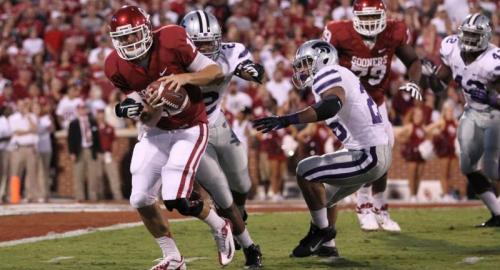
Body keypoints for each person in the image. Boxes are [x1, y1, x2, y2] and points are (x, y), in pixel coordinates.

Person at [105, 6, 233, 269]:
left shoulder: (172, 39)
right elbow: (145, 115)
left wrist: (183, 78)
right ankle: (173, 257)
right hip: (155, 131)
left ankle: (220, 226)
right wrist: (135, 108)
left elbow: (215, 73)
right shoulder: (114, 65)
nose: (128, 42)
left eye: (132, 35)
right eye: (122, 37)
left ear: (147, 29)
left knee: (177, 198)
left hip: (190, 126)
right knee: (139, 198)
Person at [254, 40, 391, 258]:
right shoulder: (337, 76)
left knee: (306, 170)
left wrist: (287, 120)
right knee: (325, 197)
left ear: (324, 59)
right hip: (369, 150)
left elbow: (330, 106)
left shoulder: (328, 74)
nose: (302, 69)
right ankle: (328, 247)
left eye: (307, 63)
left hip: (368, 154)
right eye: (300, 65)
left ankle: (322, 231)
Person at [322, 0, 423, 236]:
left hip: (377, 101)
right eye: (364, 18)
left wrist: (414, 81)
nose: (369, 22)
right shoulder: (339, 32)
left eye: (373, 17)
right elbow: (326, 67)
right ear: (356, 17)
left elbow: (414, 61)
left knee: (385, 153)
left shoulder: (394, 31)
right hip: (351, 103)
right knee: (370, 152)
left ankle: (379, 207)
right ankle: (363, 204)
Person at [180, 10, 263, 268]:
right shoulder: (174, 60)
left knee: (242, 182)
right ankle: (250, 247)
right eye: (199, 43)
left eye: (209, 41)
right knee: (220, 193)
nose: (205, 48)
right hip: (190, 131)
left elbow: (248, 68)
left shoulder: (231, 51)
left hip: (217, 123)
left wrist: (252, 71)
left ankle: (239, 216)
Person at [422, 13, 500, 227]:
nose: (468, 40)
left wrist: (493, 99)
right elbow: (440, 87)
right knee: (467, 165)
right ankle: (497, 212)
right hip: (472, 112)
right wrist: (430, 77)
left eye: (474, 36)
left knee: (493, 169)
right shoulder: (451, 48)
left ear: (485, 37)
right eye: (466, 35)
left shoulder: (494, 61)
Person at [67, 102, 101, 201]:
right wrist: (72, 152)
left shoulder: (93, 121)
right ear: (77, 110)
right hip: (79, 150)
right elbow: (70, 139)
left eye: (84, 108)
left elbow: (97, 138)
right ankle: (79, 195)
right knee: (78, 174)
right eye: (80, 108)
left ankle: (93, 195)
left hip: (90, 149)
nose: (82, 110)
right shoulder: (73, 123)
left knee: (93, 175)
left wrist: (98, 151)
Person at [8, 99, 40, 202]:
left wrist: (28, 117)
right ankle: (13, 196)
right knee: (16, 173)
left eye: (24, 105)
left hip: (30, 148)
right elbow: (16, 132)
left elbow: (35, 129)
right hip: (18, 148)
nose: (23, 107)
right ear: (17, 106)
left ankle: (31, 196)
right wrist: (29, 131)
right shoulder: (13, 118)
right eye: (20, 105)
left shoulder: (32, 116)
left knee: (32, 174)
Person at [95, 109, 123, 200]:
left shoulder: (110, 127)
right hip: (97, 154)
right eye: (99, 114)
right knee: (98, 176)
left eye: (102, 114)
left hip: (108, 154)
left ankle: (117, 196)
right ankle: (100, 196)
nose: (101, 117)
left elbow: (114, 141)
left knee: (113, 175)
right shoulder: (93, 127)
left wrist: (113, 154)